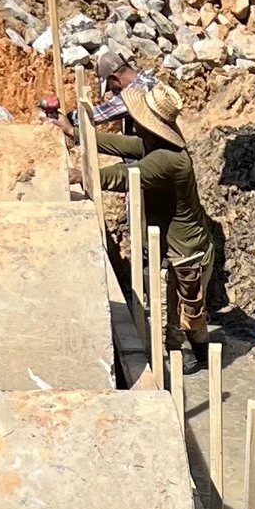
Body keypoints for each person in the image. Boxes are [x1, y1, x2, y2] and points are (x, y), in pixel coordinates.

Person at [93, 67, 228, 360]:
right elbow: (122, 145)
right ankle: (198, 352)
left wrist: (86, 174)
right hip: (182, 251)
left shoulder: (168, 160)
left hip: (187, 256)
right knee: (186, 316)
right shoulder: (157, 145)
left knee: (182, 322)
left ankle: (190, 360)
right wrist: (84, 136)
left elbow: (126, 175)